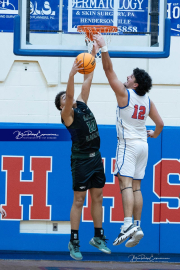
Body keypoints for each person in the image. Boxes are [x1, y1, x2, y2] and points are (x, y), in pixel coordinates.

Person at [94, 34, 164, 248]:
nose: (127, 76)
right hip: (143, 145)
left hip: (128, 145)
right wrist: (154, 134)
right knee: (136, 187)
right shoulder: (147, 100)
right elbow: (160, 124)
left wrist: (103, 48)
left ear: (135, 83)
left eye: (131, 76)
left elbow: (108, 71)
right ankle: (137, 225)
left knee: (124, 184)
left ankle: (126, 225)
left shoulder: (125, 94)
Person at [54, 43, 111, 260]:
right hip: (80, 161)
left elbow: (88, 78)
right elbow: (69, 95)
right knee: (79, 200)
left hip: (96, 158)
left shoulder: (83, 103)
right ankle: (74, 241)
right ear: (62, 106)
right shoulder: (67, 115)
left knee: (98, 197)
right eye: (63, 100)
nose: (68, 99)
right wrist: (70, 74)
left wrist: (93, 54)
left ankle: (98, 236)